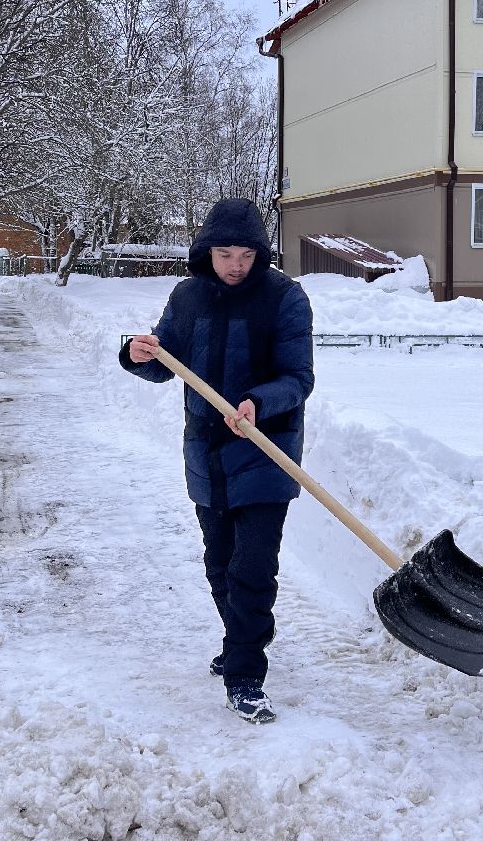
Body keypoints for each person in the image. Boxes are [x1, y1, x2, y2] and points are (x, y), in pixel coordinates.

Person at [119, 197, 314, 724]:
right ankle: (241, 638)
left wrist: (258, 402)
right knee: (220, 564)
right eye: (224, 253)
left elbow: (298, 378)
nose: (234, 264)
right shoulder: (188, 296)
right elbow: (167, 363)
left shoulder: (284, 299)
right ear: (207, 251)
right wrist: (138, 354)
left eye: (244, 254)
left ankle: (246, 674)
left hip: (265, 453)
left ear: (259, 253)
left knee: (253, 568)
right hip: (206, 452)